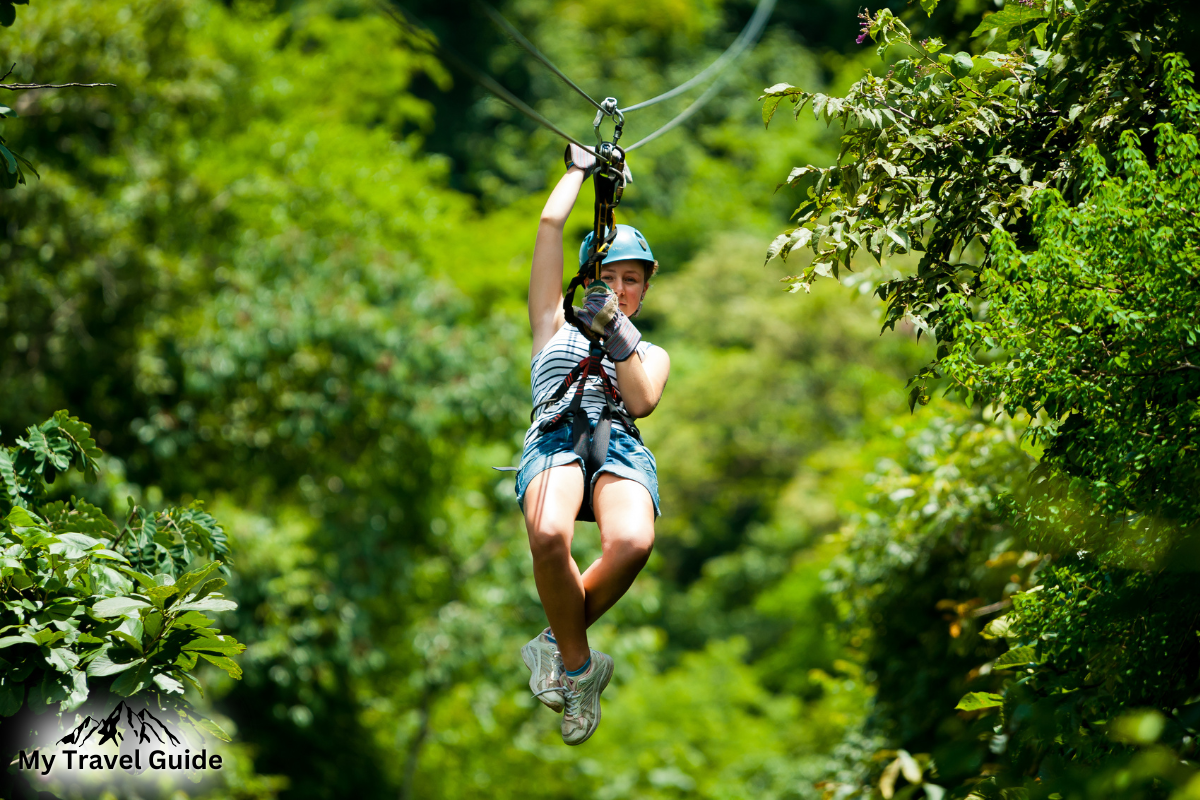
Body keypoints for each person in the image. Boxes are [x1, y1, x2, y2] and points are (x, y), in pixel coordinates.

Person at [515, 143, 670, 745]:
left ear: (644, 292)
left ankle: (556, 641)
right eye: (608, 277)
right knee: (550, 535)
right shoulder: (551, 322)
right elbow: (550, 225)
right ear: (587, 279)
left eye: (632, 280)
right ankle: (580, 668)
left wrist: (617, 333)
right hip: (556, 435)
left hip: (619, 445)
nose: (620, 287)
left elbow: (641, 401)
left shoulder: (650, 351)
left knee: (633, 541)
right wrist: (580, 172)